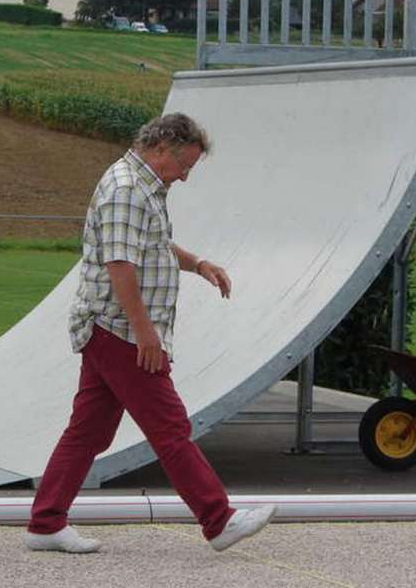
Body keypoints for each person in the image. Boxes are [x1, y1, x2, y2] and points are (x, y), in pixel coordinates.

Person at [25, 113, 275, 554]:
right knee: (170, 428)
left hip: (108, 328)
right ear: (162, 148)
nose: (185, 177)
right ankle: (219, 521)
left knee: (88, 432)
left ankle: (46, 523)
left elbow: (153, 246)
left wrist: (198, 264)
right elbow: (120, 264)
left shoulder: (142, 187)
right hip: (121, 330)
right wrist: (145, 333)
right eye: (185, 166)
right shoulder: (126, 190)